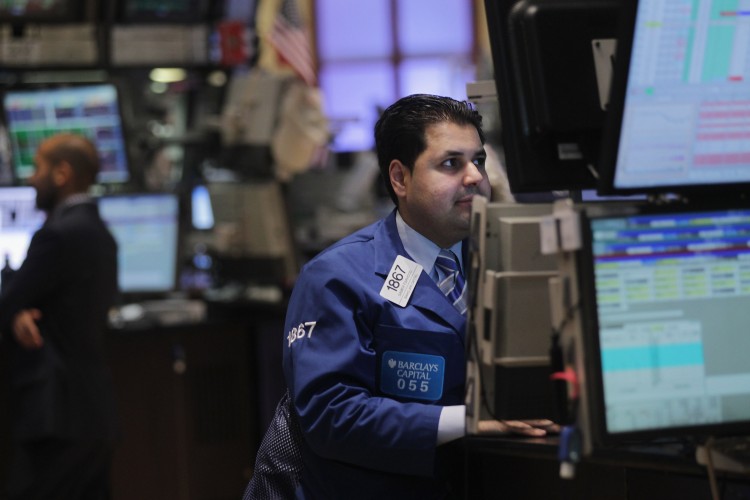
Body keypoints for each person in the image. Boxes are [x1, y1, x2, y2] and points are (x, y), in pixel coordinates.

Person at [245, 94, 556, 499]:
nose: (474, 177)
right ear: (400, 178)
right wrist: (467, 421)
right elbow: (331, 415)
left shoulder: (506, 259)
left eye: (477, 161)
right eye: (451, 163)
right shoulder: (337, 277)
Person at [0, 133, 119, 499]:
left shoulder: (58, 236)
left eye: (38, 168)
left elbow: (7, 299)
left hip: (58, 417)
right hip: (95, 413)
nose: (32, 178)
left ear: (62, 173)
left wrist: (14, 306)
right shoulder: (101, 233)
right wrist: (18, 309)